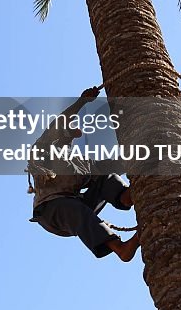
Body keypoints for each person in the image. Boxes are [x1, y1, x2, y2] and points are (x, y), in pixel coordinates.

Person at [27, 86, 141, 262]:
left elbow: (111, 165)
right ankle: (120, 248)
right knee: (73, 208)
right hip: (51, 211)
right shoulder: (41, 150)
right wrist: (82, 102)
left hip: (76, 203)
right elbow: (59, 123)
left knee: (104, 175)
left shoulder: (79, 161)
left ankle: (126, 196)